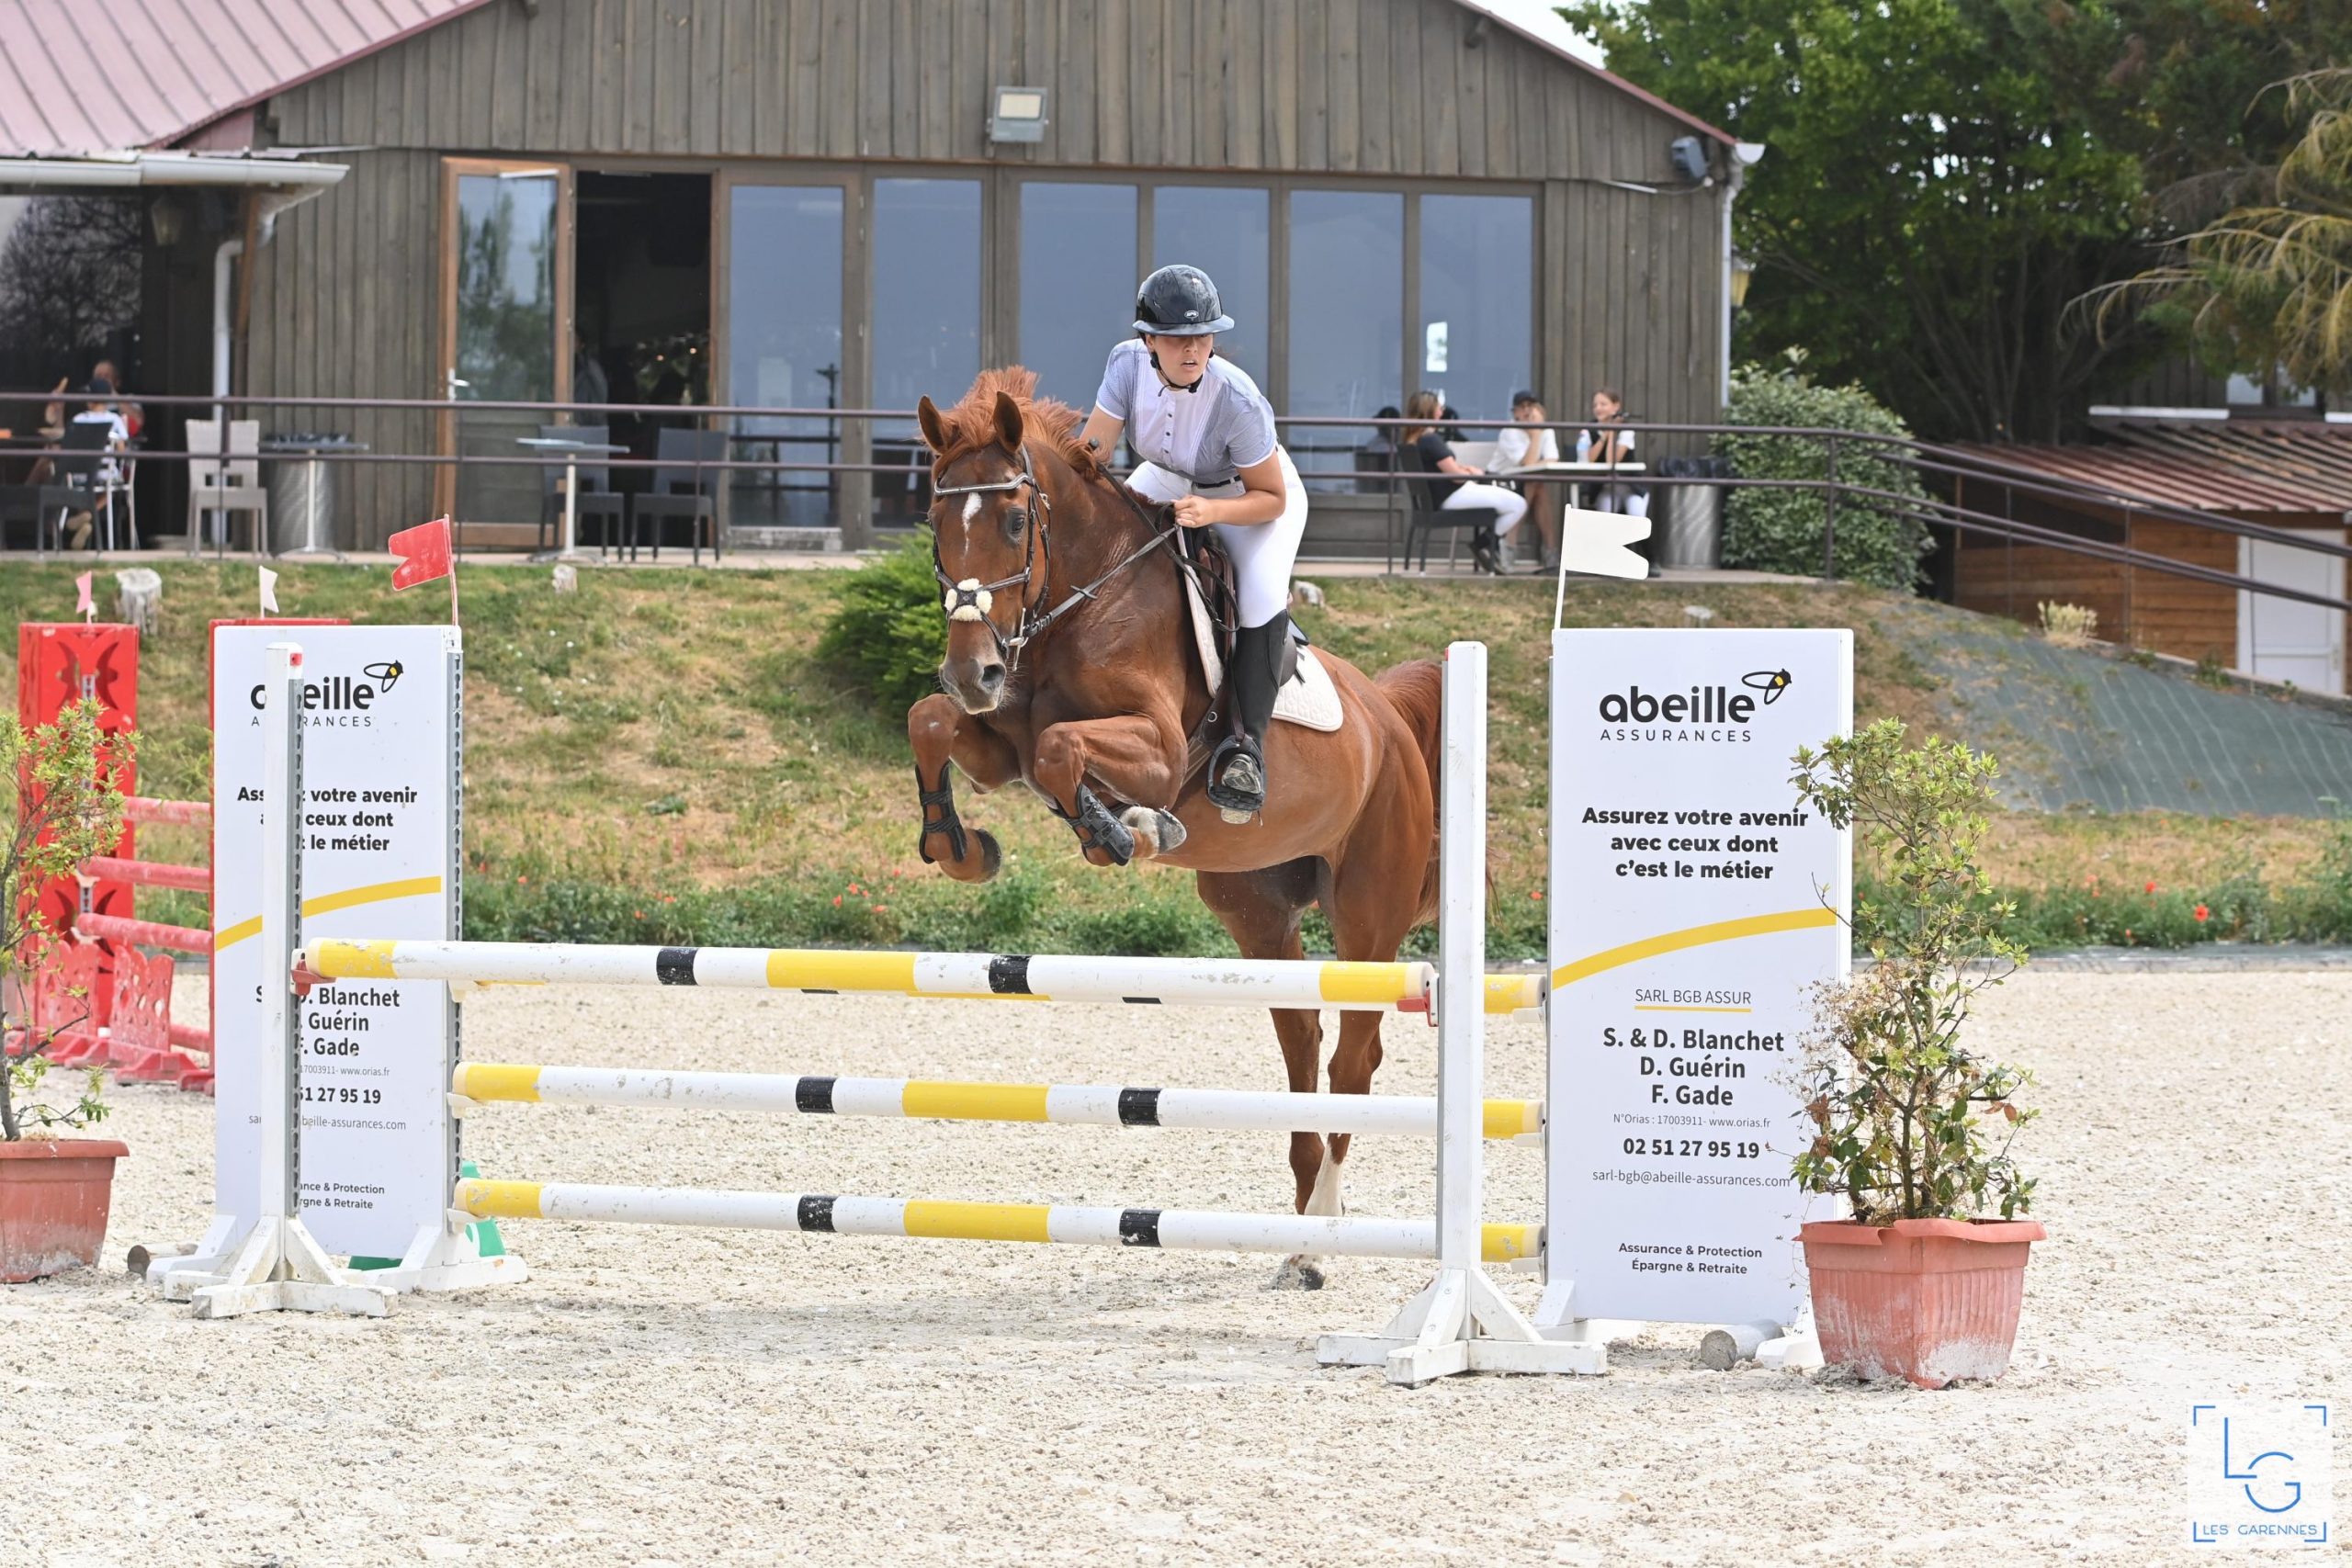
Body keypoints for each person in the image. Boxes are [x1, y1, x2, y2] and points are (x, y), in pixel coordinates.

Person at [1080, 264, 1306, 819]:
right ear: (1149, 340)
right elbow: (1092, 452)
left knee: (1256, 596)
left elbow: (1270, 496)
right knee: (1101, 547)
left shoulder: (1238, 399)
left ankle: (1245, 750)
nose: (1194, 349)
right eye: (1180, 339)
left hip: (1248, 498)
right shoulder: (1124, 363)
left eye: (1204, 336)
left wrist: (1213, 511)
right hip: (1168, 475)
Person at [1399, 389, 1527, 574]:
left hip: (1439, 498)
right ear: (1429, 411)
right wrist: (1474, 474)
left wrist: (1464, 469)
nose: (1442, 411)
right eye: (1439, 407)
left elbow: (1447, 468)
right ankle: (1483, 545)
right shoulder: (1431, 440)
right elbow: (1456, 476)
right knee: (1518, 504)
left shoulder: (1413, 441)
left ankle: (1486, 546)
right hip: (1453, 495)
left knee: (1509, 501)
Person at [1487, 389, 1561, 569]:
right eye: (1522, 407)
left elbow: (1552, 459)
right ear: (1515, 413)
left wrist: (1538, 435)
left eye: (1531, 406)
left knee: (1536, 484)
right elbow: (1528, 465)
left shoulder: (1546, 430)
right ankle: (1548, 552)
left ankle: (1512, 546)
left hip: (1525, 483)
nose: (1527, 411)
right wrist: (1536, 435)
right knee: (1534, 483)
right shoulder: (1509, 432)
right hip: (1500, 483)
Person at [62, 378, 130, 549]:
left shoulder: (78, 419)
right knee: (110, 490)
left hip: (78, 474)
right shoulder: (114, 420)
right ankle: (89, 515)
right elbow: (121, 450)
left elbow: (68, 445)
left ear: (89, 399)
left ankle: (82, 517)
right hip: (104, 475)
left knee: (81, 490)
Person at [1575, 386, 1648, 517]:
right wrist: (1606, 433)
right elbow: (1589, 460)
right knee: (1606, 519)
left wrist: (1613, 431)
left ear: (1616, 406)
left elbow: (1612, 460)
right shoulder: (1588, 430)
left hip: (1631, 486)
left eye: (1603, 404)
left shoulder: (1626, 429)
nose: (1598, 408)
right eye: (1595, 405)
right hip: (1605, 487)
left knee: (1637, 517)